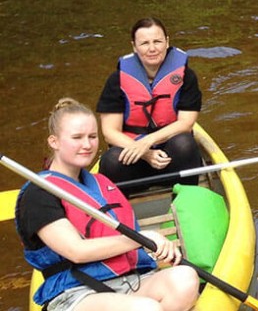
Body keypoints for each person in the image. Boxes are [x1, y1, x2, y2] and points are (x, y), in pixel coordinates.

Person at [15, 97, 199, 311]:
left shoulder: (102, 184)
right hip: (77, 292)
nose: (87, 145)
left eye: (92, 136)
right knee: (146, 309)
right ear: (54, 142)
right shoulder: (39, 193)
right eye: (77, 137)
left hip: (130, 280)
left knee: (185, 279)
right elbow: (76, 251)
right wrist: (141, 239)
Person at [97, 18, 203, 193]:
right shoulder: (117, 80)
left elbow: (186, 123)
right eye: (145, 43)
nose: (152, 48)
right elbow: (109, 132)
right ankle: (120, 212)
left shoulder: (186, 76)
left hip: (171, 158)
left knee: (185, 144)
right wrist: (145, 153)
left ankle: (186, 201)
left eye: (157, 41)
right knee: (111, 160)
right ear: (134, 46)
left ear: (167, 42)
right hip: (134, 159)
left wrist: (148, 142)